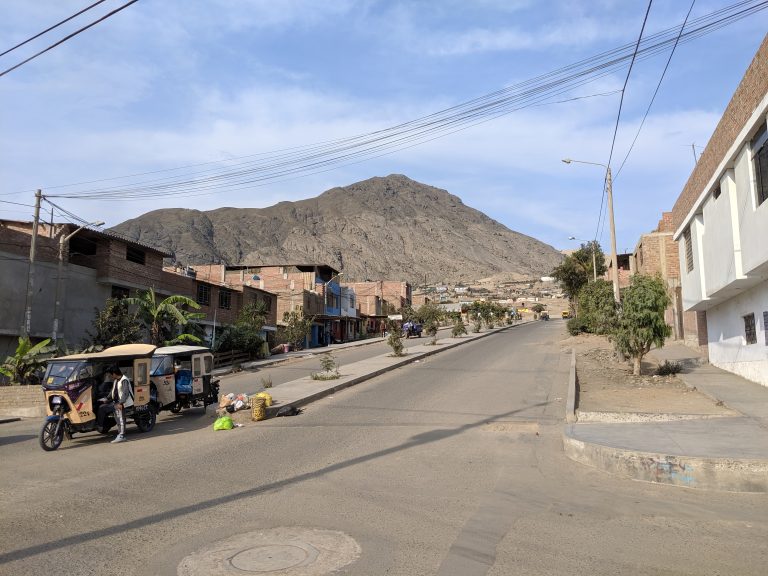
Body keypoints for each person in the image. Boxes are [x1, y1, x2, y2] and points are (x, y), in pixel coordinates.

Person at [105, 365, 133, 443]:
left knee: (121, 419)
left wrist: (121, 403)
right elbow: (113, 391)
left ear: (114, 374)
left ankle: (122, 435)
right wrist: (107, 398)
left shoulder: (124, 380)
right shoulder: (116, 380)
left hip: (121, 403)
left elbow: (125, 393)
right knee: (118, 419)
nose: (110, 376)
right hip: (116, 403)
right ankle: (120, 433)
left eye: (111, 374)